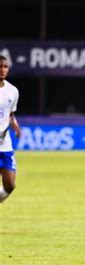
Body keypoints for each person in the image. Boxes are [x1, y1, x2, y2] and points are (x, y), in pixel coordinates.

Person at [0, 55, 21, 203]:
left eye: (5, 66)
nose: (2, 70)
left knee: (10, 185)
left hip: (5, 144)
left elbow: (10, 114)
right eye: (0, 66)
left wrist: (15, 124)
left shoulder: (12, 91)